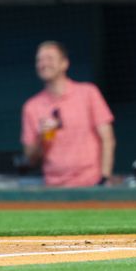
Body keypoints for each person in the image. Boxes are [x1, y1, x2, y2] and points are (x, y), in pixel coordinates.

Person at [21, 41, 116, 187]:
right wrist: (41, 137)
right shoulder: (31, 106)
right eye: (39, 60)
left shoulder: (88, 93)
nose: (43, 63)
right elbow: (30, 159)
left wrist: (105, 178)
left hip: (91, 182)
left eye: (50, 58)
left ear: (64, 63)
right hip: (54, 187)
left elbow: (108, 139)